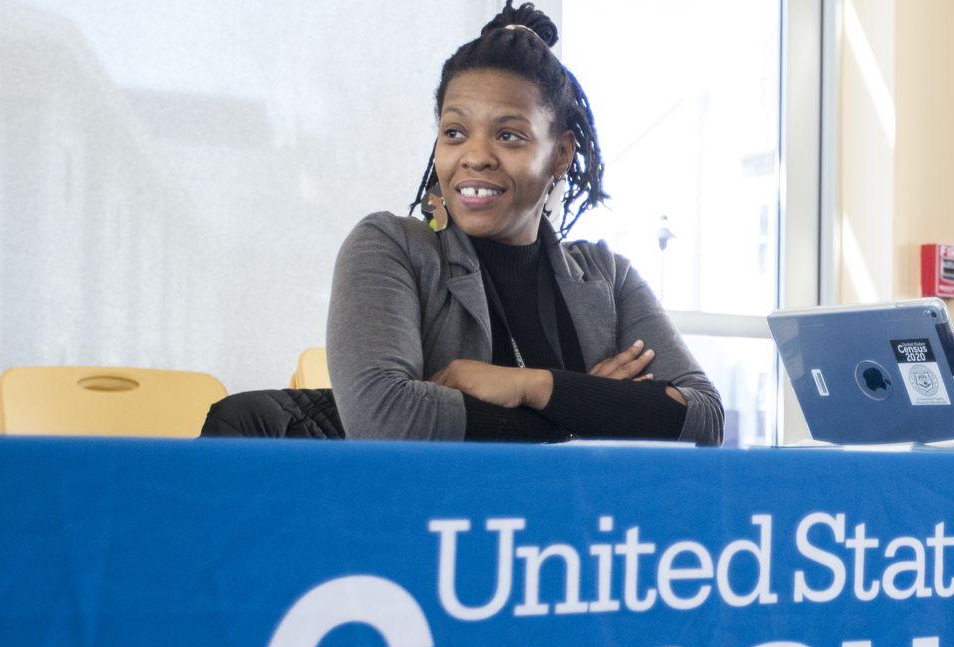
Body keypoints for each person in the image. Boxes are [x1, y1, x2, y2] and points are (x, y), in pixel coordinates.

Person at [203, 3, 723, 445]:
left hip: (543, 541)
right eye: (455, 132)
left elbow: (703, 416)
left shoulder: (609, 277)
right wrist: (588, 406)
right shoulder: (389, 248)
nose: (474, 156)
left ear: (560, 154)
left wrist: (529, 386)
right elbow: (387, 420)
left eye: (510, 136)